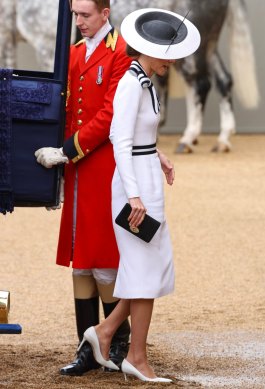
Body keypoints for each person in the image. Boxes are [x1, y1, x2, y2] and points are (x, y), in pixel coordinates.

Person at [77, 8, 199, 382]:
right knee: (145, 271)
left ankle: (105, 331)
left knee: (152, 267)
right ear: (155, 52)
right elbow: (120, 139)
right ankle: (136, 356)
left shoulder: (144, 80)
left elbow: (138, 136)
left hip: (145, 177)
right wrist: (133, 196)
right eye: (171, 53)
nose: (174, 60)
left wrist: (158, 155)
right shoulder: (132, 82)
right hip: (135, 186)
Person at [33, 0, 132, 376]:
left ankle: (115, 344)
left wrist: (66, 150)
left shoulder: (121, 52)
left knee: (103, 259)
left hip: (103, 166)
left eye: (85, 15)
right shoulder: (74, 52)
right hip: (76, 169)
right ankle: (87, 349)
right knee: (80, 262)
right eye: (75, 15)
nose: (79, 21)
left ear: (105, 14)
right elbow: (66, 106)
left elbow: (109, 116)